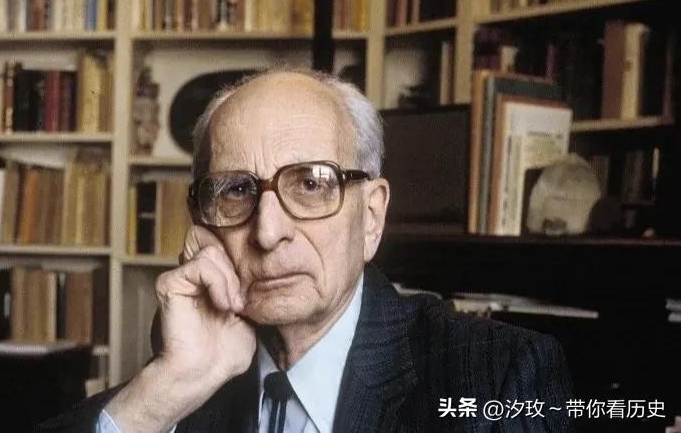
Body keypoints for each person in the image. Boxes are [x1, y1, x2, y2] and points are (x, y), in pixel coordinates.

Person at [39, 68, 574, 432]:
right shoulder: (191, 374)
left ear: (371, 216)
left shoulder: (499, 376)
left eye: (312, 184)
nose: (268, 232)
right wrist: (170, 385)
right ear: (202, 222)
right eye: (236, 190)